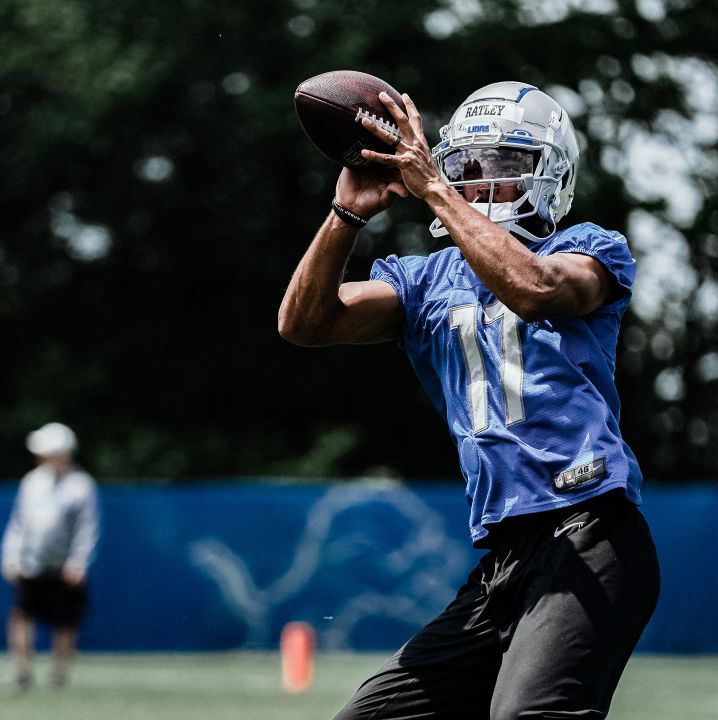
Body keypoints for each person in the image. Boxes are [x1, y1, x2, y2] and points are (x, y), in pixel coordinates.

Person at [279, 81, 660, 719]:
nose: (483, 183)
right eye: (469, 168)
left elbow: (535, 289)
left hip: (593, 538)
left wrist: (432, 188)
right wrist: (344, 215)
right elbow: (304, 324)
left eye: (508, 166)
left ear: (551, 177)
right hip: (504, 564)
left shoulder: (590, 249)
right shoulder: (425, 280)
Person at [0, 421, 100, 693]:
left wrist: (78, 562)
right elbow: (19, 523)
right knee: (21, 616)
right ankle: (21, 673)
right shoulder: (32, 482)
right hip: (32, 563)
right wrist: (11, 556)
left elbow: (87, 528)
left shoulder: (81, 486)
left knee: (65, 621)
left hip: (63, 566)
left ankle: (59, 674)